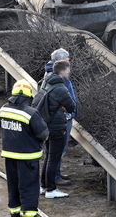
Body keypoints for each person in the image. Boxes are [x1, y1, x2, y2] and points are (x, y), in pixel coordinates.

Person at [0, 80, 48, 217]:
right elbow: (43, 134)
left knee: (13, 186)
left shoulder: (3, 110)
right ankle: (29, 214)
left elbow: (1, 126)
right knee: (29, 187)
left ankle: (14, 212)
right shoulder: (31, 113)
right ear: (28, 96)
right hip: (28, 157)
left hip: (9, 155)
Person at [38, 59, 76, 199]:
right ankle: (51, 189)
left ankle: (43, 186)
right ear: (61, 71)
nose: (69, 71)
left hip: (47, 126)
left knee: (48, 157)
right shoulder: (60, 88)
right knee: (53, 158)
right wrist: (63, 107)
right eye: (67, 69)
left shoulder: (46, 83)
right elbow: (72, 106)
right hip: (57, 127)